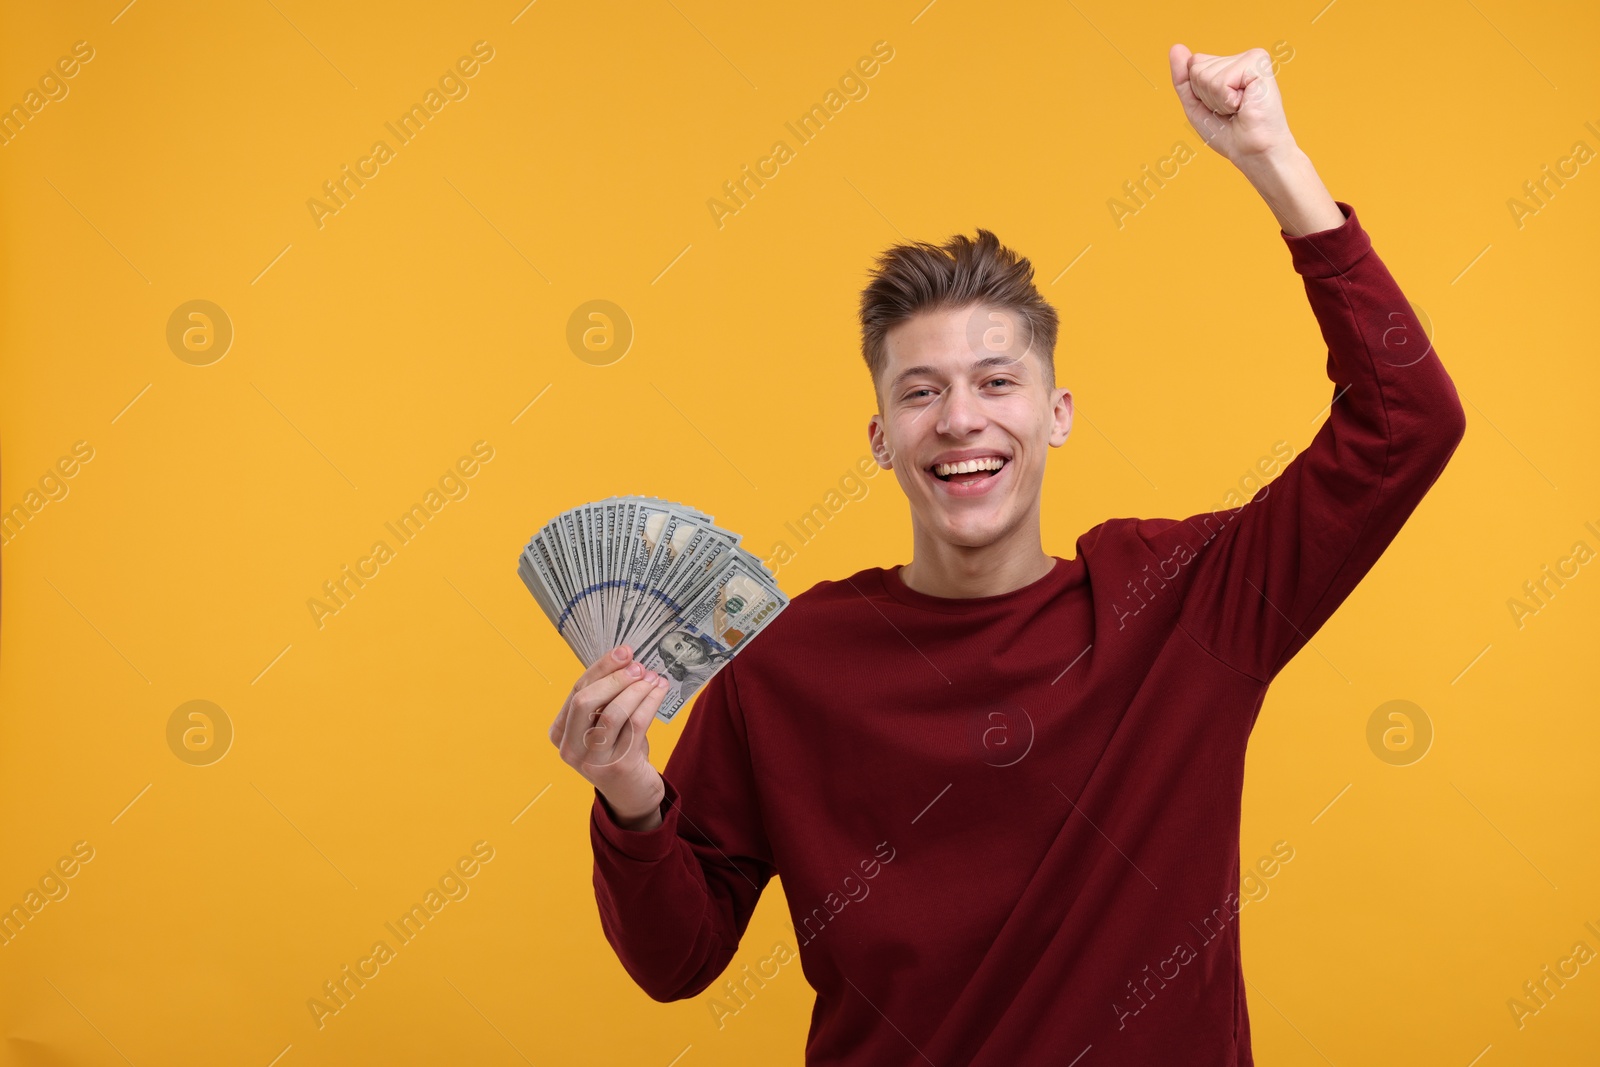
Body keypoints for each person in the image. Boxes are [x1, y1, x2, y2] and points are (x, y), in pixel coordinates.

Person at [548, 43, 1466, 1066]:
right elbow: (679, 958)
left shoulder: (1180, 603)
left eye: (996, 381)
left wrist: (1271, 157)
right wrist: (629, 791)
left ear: (1057, 413)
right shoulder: (786, 659)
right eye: (920, 390)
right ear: (881, 436)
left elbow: (1406, 423)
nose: (959, 419)